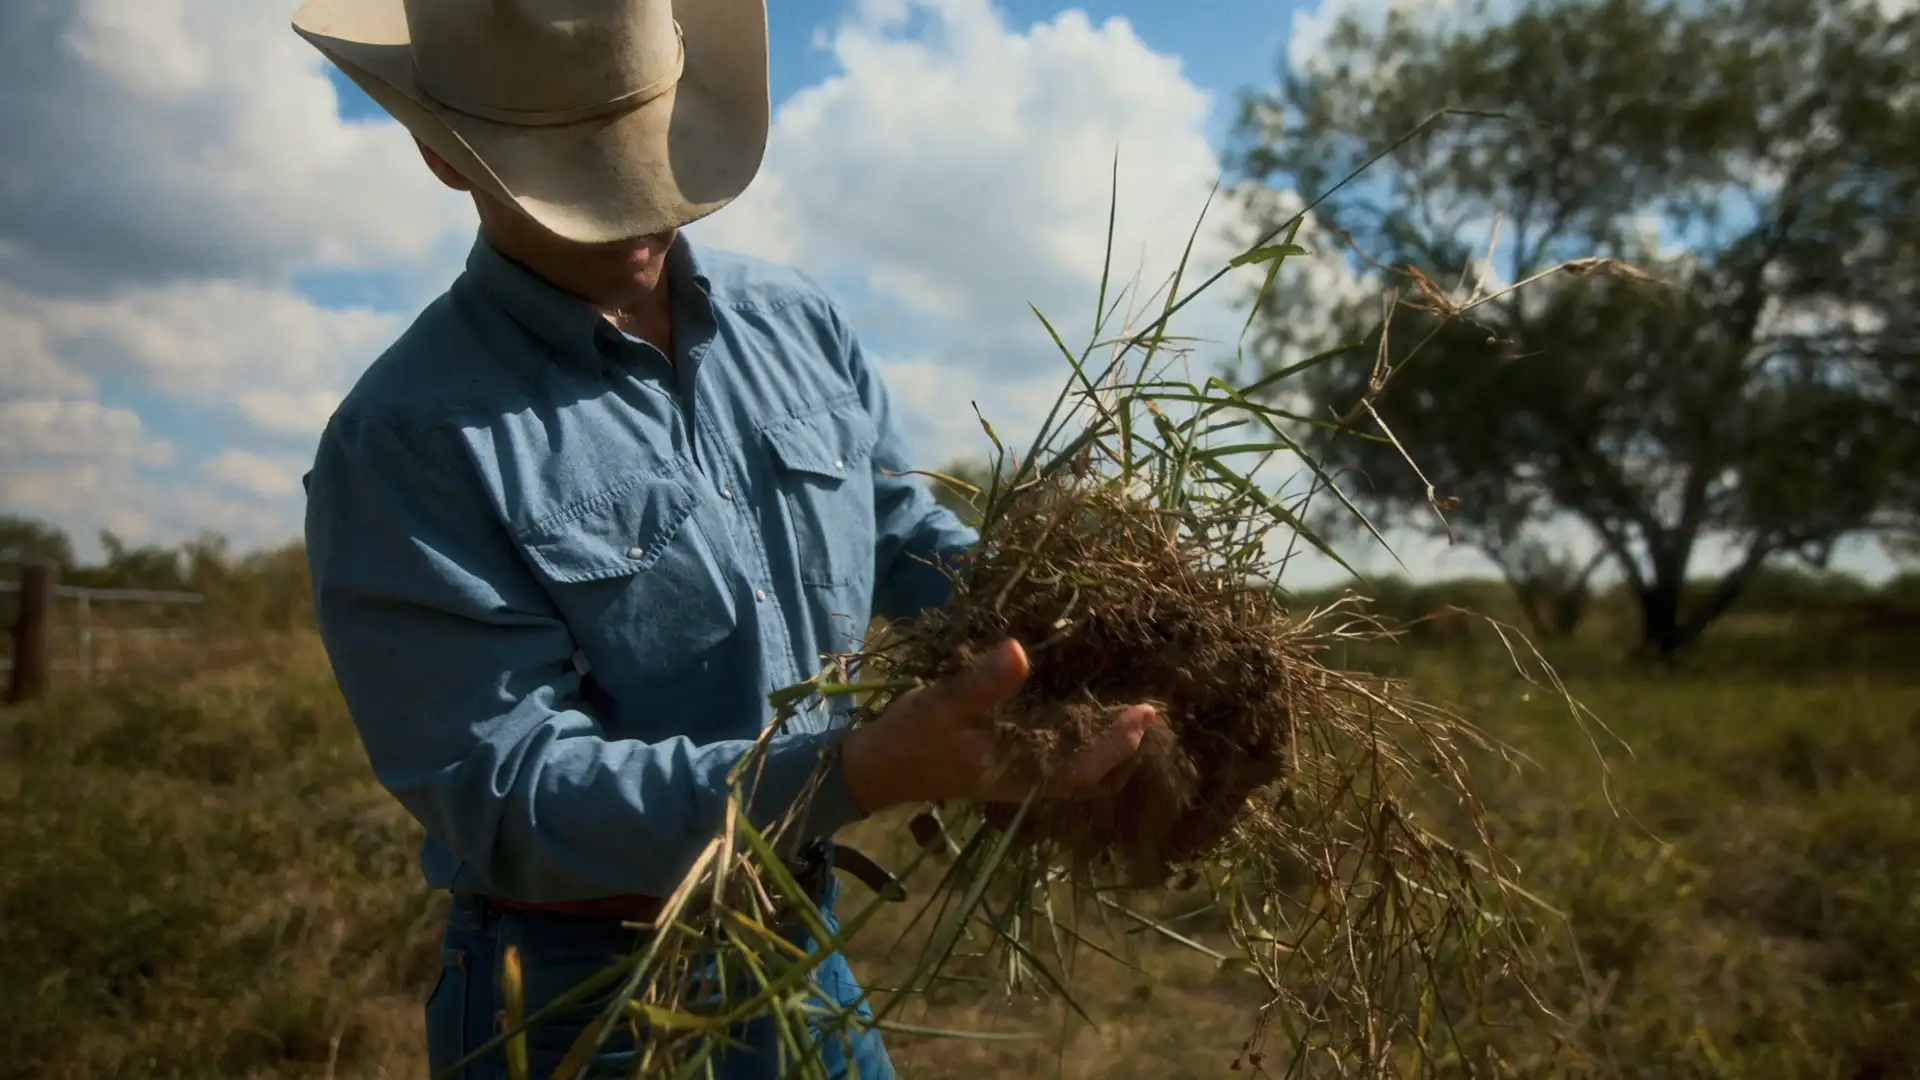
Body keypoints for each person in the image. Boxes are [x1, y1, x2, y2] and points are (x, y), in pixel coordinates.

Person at [291, 1, 1158, 1077]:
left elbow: (893, 529)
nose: (634, 210)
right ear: (443, 155)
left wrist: (1061, 615)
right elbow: (502, 787)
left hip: (800, 947)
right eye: (579, 173)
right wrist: (851, 772)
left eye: (645, 145)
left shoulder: (796, 323)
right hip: (584, 997)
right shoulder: (410, 439)